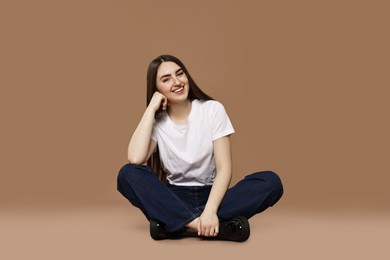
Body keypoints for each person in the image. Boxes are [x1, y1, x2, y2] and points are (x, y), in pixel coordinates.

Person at [117, 54, 283, 242]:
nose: (177, 81)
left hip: (212, 196)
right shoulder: (157, 123)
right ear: (157, 89)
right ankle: (204, 226)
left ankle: (175, 225)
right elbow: (135, 159)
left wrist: (211, 210)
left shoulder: (212, 110)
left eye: (180, 74)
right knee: (127, 174)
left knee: (271, 182)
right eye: (166, 79)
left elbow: (224, 169)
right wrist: (150, 109)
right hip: (173, 198)